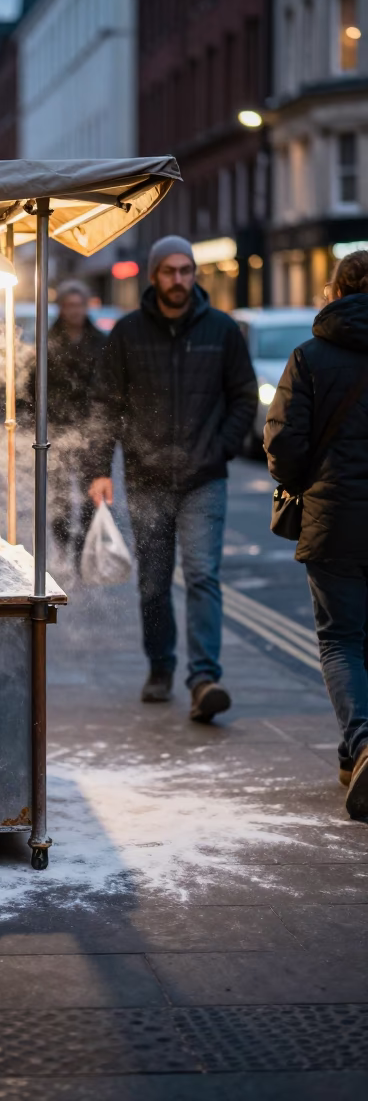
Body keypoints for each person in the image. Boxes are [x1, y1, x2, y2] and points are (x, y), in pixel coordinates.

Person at [88, 235, 257, 720]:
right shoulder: (128, 332)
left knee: (203, 576)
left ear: (195, 274)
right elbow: (106, 404)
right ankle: (160, 667)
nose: (178, 279)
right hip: (147, 477)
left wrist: (221, 446)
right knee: (154, 582)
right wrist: (100, 468)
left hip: (206, 477)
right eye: (169, 271)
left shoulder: (222, 330)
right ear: (154, 275)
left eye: (186, 270)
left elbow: (244, 396)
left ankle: (204, 678)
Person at [264, 249, 368, 819]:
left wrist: (304, 483)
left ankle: (362, 744)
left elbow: (282, 444)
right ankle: (355, 757)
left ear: (336, 290)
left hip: (335, 520)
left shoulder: (310, 357)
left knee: (340, 640)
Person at [34, 280, 106, 566]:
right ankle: (64, 544)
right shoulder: (47, 341)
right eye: (68, 305)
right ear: (60, 308)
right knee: (60, 496)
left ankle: (83, 549)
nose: (74, 311)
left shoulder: (101, 342)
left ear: (86, 306)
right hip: (57, 430)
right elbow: (33, 387)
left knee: (91, 496)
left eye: (78, 305)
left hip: (92, 431)